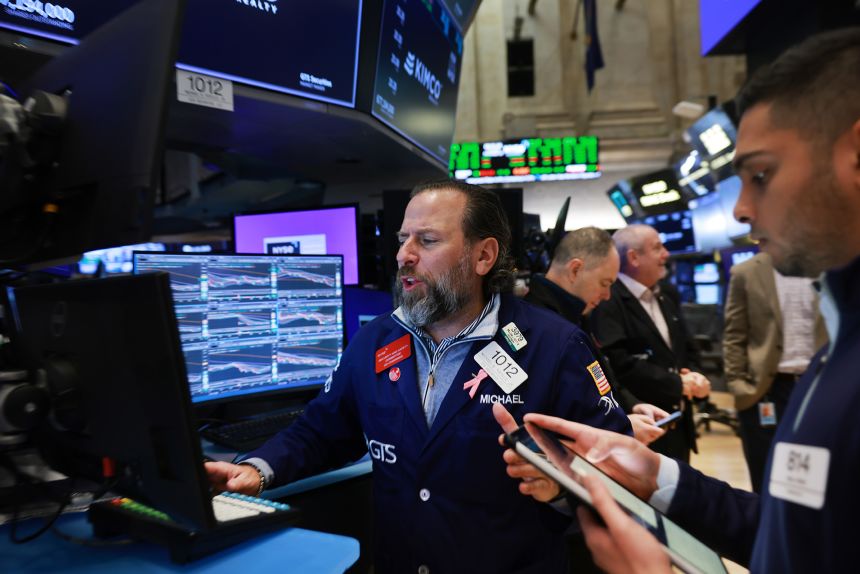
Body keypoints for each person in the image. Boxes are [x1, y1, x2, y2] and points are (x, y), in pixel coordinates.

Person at [499, 28, 860, 573]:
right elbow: (796, 533)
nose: (740, 210)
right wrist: (654, 474)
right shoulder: (842, 344)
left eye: (761, 174)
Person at [206, 179, 632, 573]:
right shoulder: (375, 340)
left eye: (426, 241)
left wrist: (559, 490)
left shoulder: (555, 347)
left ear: (484, 256)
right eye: (402, 239)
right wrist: (258, 470)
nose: (403, 255)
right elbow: (321, 431)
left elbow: (616, 472)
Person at [525, 225, 669, 445]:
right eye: (605, 283)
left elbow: (598, 377)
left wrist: (629, 405)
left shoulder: (573, 314)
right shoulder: (544, 326)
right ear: (575, 270)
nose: (607, 295)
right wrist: (621, 428)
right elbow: (552, 413)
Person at [589, 224, 711, 462]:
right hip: (640, 427)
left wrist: (695, 377)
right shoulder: (607, 299)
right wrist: (677, 383)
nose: (666, 254)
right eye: (657, 248)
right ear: (634, 257)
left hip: (678, 423)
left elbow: (685, 347)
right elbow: (619, 364)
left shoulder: (668, 293)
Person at [723, 251, 827, 492]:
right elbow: (734, 334)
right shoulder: (745, 272)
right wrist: (738, 384)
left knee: (821, 476)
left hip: (819, 385)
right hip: (766, 389)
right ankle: (768, 529)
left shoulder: (829, 264)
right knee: (765, 475)